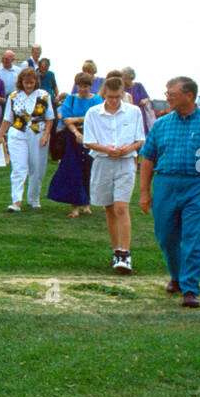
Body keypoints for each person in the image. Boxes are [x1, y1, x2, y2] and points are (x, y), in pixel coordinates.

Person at [139, 77, 200, 307]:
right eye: (167, 93)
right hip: (167, 185)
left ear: (189, 96)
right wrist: (144, 192)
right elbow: (148, 159)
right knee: (166, 236)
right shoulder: (162, 124)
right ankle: (177, 276)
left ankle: (190, 288)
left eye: (172, 94)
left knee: (194, 237)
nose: (167, 98)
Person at [81, 76, 145, 274]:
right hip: (103, 162)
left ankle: (125, 254)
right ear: (104, 95)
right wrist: (106, 149)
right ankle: (116, 250)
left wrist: (128, 149)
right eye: (110, 97)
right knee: (109, 208)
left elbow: (140, 139)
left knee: (121, 207)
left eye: (117, 97)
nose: (114, 101)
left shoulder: (133, 112)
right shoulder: (93, 113)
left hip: (125, 163)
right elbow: (89, 141)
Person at [0, 66, 55, 211]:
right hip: (18, 134)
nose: (28, 86)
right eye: (26, 83)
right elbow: (7, 118)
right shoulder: (13, 97)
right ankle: (16, 201)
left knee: (37, 168)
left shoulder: (44, 96)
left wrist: (46, 135)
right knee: (19, 168)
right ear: (21, 82)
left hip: (38, 134)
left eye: (31, 83)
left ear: (36, 82)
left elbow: (49, 118)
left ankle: (34, 198)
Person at [48, 72, 101, 217]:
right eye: (80, 86)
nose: (82, 89)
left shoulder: (97, 99)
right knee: (73, 170)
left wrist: (76, 119)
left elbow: (96, 118)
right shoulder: (70, 99)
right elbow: (66, 119)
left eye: (85, 86)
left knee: (88, 170)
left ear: (90, 86)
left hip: (92, 138)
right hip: (73, 138)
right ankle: (74, 207)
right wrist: (77, 132)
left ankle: (86, 204)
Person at [121, 67, 154, 131]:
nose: (124, 80)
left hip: (140, 113)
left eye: (126, 78)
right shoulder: (122, 88)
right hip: (127, 114)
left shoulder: (138, 86)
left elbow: (147, 98)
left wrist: (144, 101)